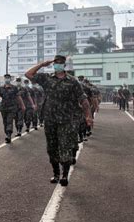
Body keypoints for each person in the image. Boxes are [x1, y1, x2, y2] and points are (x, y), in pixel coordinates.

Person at [25, 55, 93, 187]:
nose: (58, 65)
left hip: (67, 120)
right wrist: (42, 64)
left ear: (64, 65)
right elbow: (28, 74)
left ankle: (64, 175)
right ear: (53, 64)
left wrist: (88, 116)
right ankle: (56, 173)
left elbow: (83, 100)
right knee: (52, 148)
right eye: (56, 62)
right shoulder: (46, 79)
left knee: (65, 147)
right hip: (50, 120)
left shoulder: (73, 82)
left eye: (61, 63)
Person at [0, 74, 25, 143]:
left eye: (8, 78)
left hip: (12, 108)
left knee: (9, 121)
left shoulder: (14, 88)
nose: (7, 79)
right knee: (5, 122)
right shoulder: (1, 88)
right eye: (6, 78)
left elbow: (18, 97)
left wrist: (22, 105)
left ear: (10, 79)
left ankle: (8, 135)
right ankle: (7, 134)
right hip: (3, 108)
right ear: (4, 79)